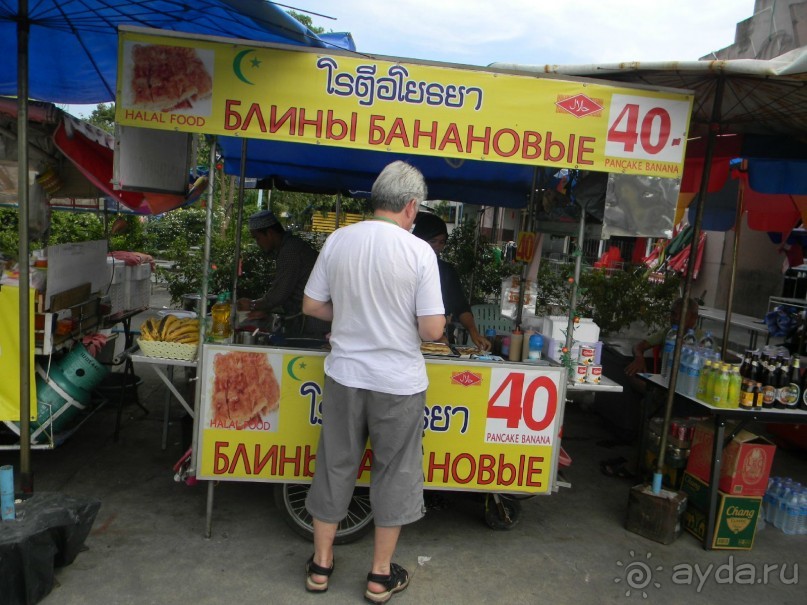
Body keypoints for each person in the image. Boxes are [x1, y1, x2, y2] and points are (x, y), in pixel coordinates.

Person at [301, 161, 445, 603]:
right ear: (411, 206)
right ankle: (379, 576)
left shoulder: (339, 240)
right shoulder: (419, 252)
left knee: (335, 464)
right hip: (398, 383)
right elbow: (432, 329)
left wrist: (348, 316)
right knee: (394, 472)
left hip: (345, 376)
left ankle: (320, 566)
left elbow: (312, 305)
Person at [236, 210, 328, 338]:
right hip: (311, 316)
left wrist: (252, 305)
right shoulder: (290, 246)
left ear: (269, 233)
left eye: (257, 238)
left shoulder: (290, 252)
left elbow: (279, 294)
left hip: (315, 322)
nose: (258, 243)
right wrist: (264, 308)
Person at [412, 211, 491, 351]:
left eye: (441, 242)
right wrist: (435, 336)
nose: (437, 247)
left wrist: (474, 333)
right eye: (433, 241)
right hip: (409, 341)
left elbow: (461, 306)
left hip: (440, 344)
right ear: (419, 239)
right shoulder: (407, 267)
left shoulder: (447, 271)